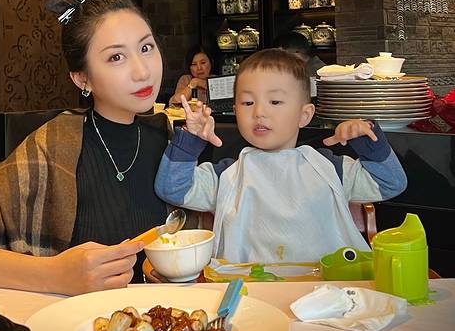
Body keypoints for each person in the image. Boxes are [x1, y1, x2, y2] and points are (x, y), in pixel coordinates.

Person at [0, 0, 172, 294]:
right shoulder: (54, 145)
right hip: (75, 322)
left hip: (167, 319)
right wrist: (56, 274)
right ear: (82, 78)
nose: (142, 71)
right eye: (116, 57)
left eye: (146, 47)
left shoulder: (170, 140)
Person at [155, 48, 407, 264]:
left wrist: (367, 139)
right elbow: (173, 188)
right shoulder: (227, 176)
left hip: (327, 287)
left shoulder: (330, 169)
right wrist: (190, 139)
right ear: (235, 110)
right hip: (249, 291)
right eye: (247, 103)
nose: (259, 112)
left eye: (275, 102)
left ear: (304, 115)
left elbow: (391, 183)